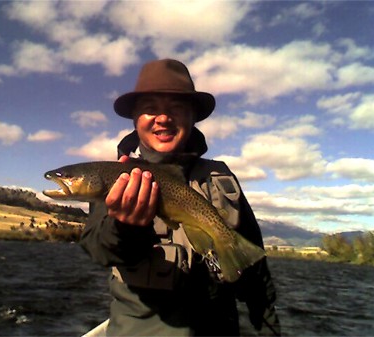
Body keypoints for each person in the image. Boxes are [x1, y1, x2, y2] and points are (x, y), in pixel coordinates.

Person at [80, 59, 280, 336]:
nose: (163, 118)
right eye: (150, 109)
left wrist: (267, 321)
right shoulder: (115, 178)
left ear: (192, 118)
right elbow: (99, 249)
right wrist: (126, 228)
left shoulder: (220, 177)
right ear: (135, 119)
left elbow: (255, 265)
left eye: (176, 108)